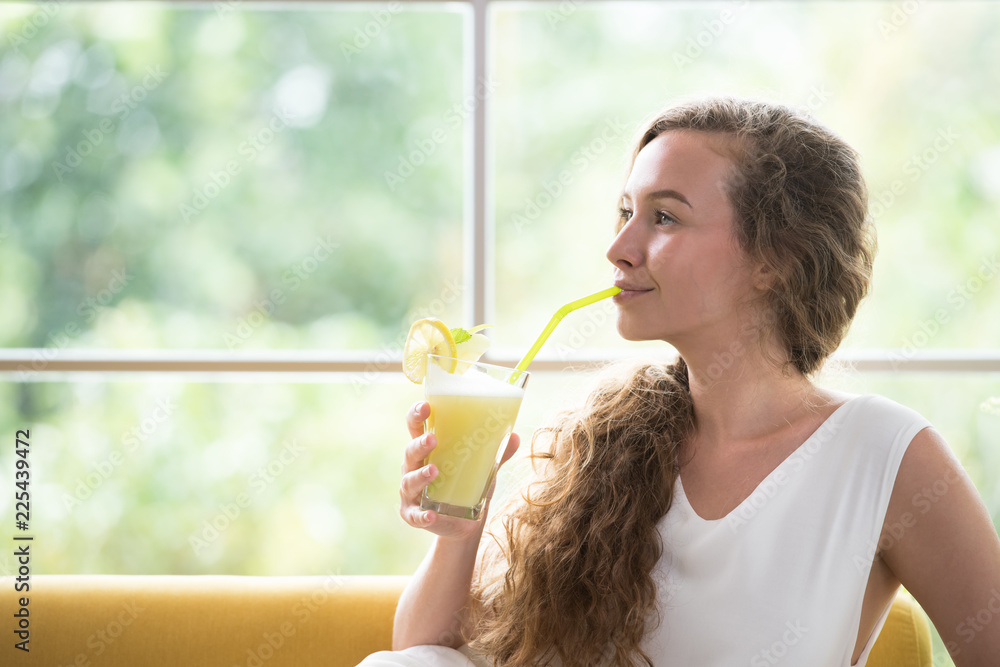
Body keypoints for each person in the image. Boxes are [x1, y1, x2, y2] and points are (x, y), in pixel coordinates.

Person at [363, 97, 1000, 666]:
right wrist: (460, 524)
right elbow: (425, 652)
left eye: (664, 218)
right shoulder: (606, 444)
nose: (620, 247)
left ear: (773, 259)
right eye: (624, 212)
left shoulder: (882, 454)